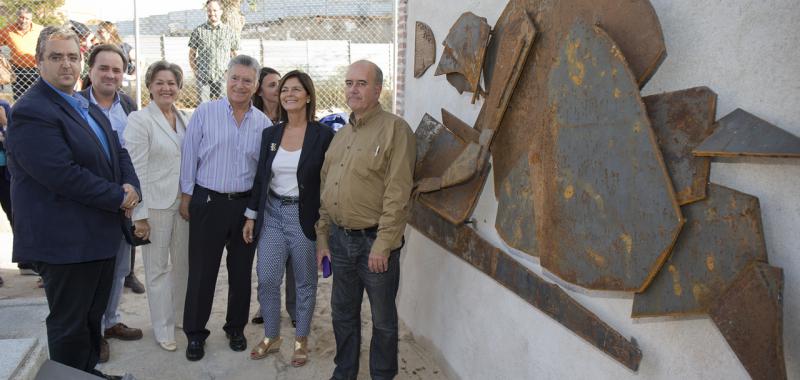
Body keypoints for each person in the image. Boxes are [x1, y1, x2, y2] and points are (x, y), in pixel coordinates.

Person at [6, 25, 139, 380]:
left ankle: (87, 373)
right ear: (38, 62)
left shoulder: (82, 103)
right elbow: (62, 175)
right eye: (56, 57)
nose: (66, 65)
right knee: (69, 325)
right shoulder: (32, 111)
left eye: (72, 57)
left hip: (97, 236)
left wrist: (130, 184)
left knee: (90, 320)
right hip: (65, 241)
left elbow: (117, 150)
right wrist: (119, 197)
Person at [316, 60, 415, 380]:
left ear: (377, 89)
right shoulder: (341, 134)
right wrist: (322, 238)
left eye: (361, 83)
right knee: (342, 314)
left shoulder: (395, 129)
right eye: (348, 83)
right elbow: (327, 189)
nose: (353, 89)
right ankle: (344, 372)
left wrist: (384, 244)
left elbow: (398, 194)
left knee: (383, 321)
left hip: (375, 243)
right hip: (340, 242)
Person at [179, 54, 271, 361]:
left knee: (241, 273)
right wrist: (186, 196)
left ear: (256, 85)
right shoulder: (205, 113)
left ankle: (235, 329)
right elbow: (189, 156)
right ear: (226, 79)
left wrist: (254, 213)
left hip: (244, 209)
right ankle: (195, 333)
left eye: (247, 80)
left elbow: (262, 175)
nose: (240, 85)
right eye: (235, 78)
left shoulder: (263, 124)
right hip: (207, 202)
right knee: (202, 272)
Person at [242, 70, 334, 366]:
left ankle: (300, 339)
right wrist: (250, 216)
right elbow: (260, 179)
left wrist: (325, 227)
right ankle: (272, 335)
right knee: (267, 278)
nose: (289, 94)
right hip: (271, 214)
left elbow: (330, 182)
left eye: (296, 89)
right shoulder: (271, 133)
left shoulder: (323, 136)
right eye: (284, 90)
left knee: (305, 283)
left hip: (303, 216)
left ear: (308, 95)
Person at [78, 44, 144, 364]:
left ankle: (110, 321)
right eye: (103, 68)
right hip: (89, 203)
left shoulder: (128, 106)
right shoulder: (76, 106)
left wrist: (132, 192)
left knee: (119, 267)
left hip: (123, 203)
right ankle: (93, 333)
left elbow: (129, 154)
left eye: (116, 70)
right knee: (92, 272)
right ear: (89, 71)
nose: (110, 75)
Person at [124, 61, 191, 352]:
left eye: (172, 83)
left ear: (179, 87)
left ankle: (178, 318)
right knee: (156, 270)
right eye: (160, 82)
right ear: (150, 86)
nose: (166, 88)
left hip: (184, 206)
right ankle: (163, 329)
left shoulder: (185, 117)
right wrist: (139, 214)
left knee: (184, 266)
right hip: (155, 207)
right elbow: (135, 169)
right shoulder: (140, 120)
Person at [250, 67, 298, 327]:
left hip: (288, 198)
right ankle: (264, 306)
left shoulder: (292, 116)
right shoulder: (254, 119)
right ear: (260, 90)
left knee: (293, 257)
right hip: (263, 198)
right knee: (267, 258)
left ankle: (293, 308)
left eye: (281, 85)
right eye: (272, 85)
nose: (279, 90)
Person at [188, 0, 239, 102]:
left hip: (223, 76)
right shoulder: (198, 31)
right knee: (204, 108)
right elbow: (191, 54)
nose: (212, 13)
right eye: (209, 11)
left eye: (215, 10)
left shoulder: (229, 31)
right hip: (203, 77)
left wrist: (232, 73)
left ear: (221, 11)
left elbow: (234, 55)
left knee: (224, 107)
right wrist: (196, 71)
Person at [0, 6, 43, 100]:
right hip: (17, 70)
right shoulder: (8, 30)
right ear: (17, 17)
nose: (24, 21)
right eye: (21, 17)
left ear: (31, 19)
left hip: (36, 70)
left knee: (37, 97)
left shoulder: (40, 30)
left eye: (27, 18)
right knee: (19, 99)